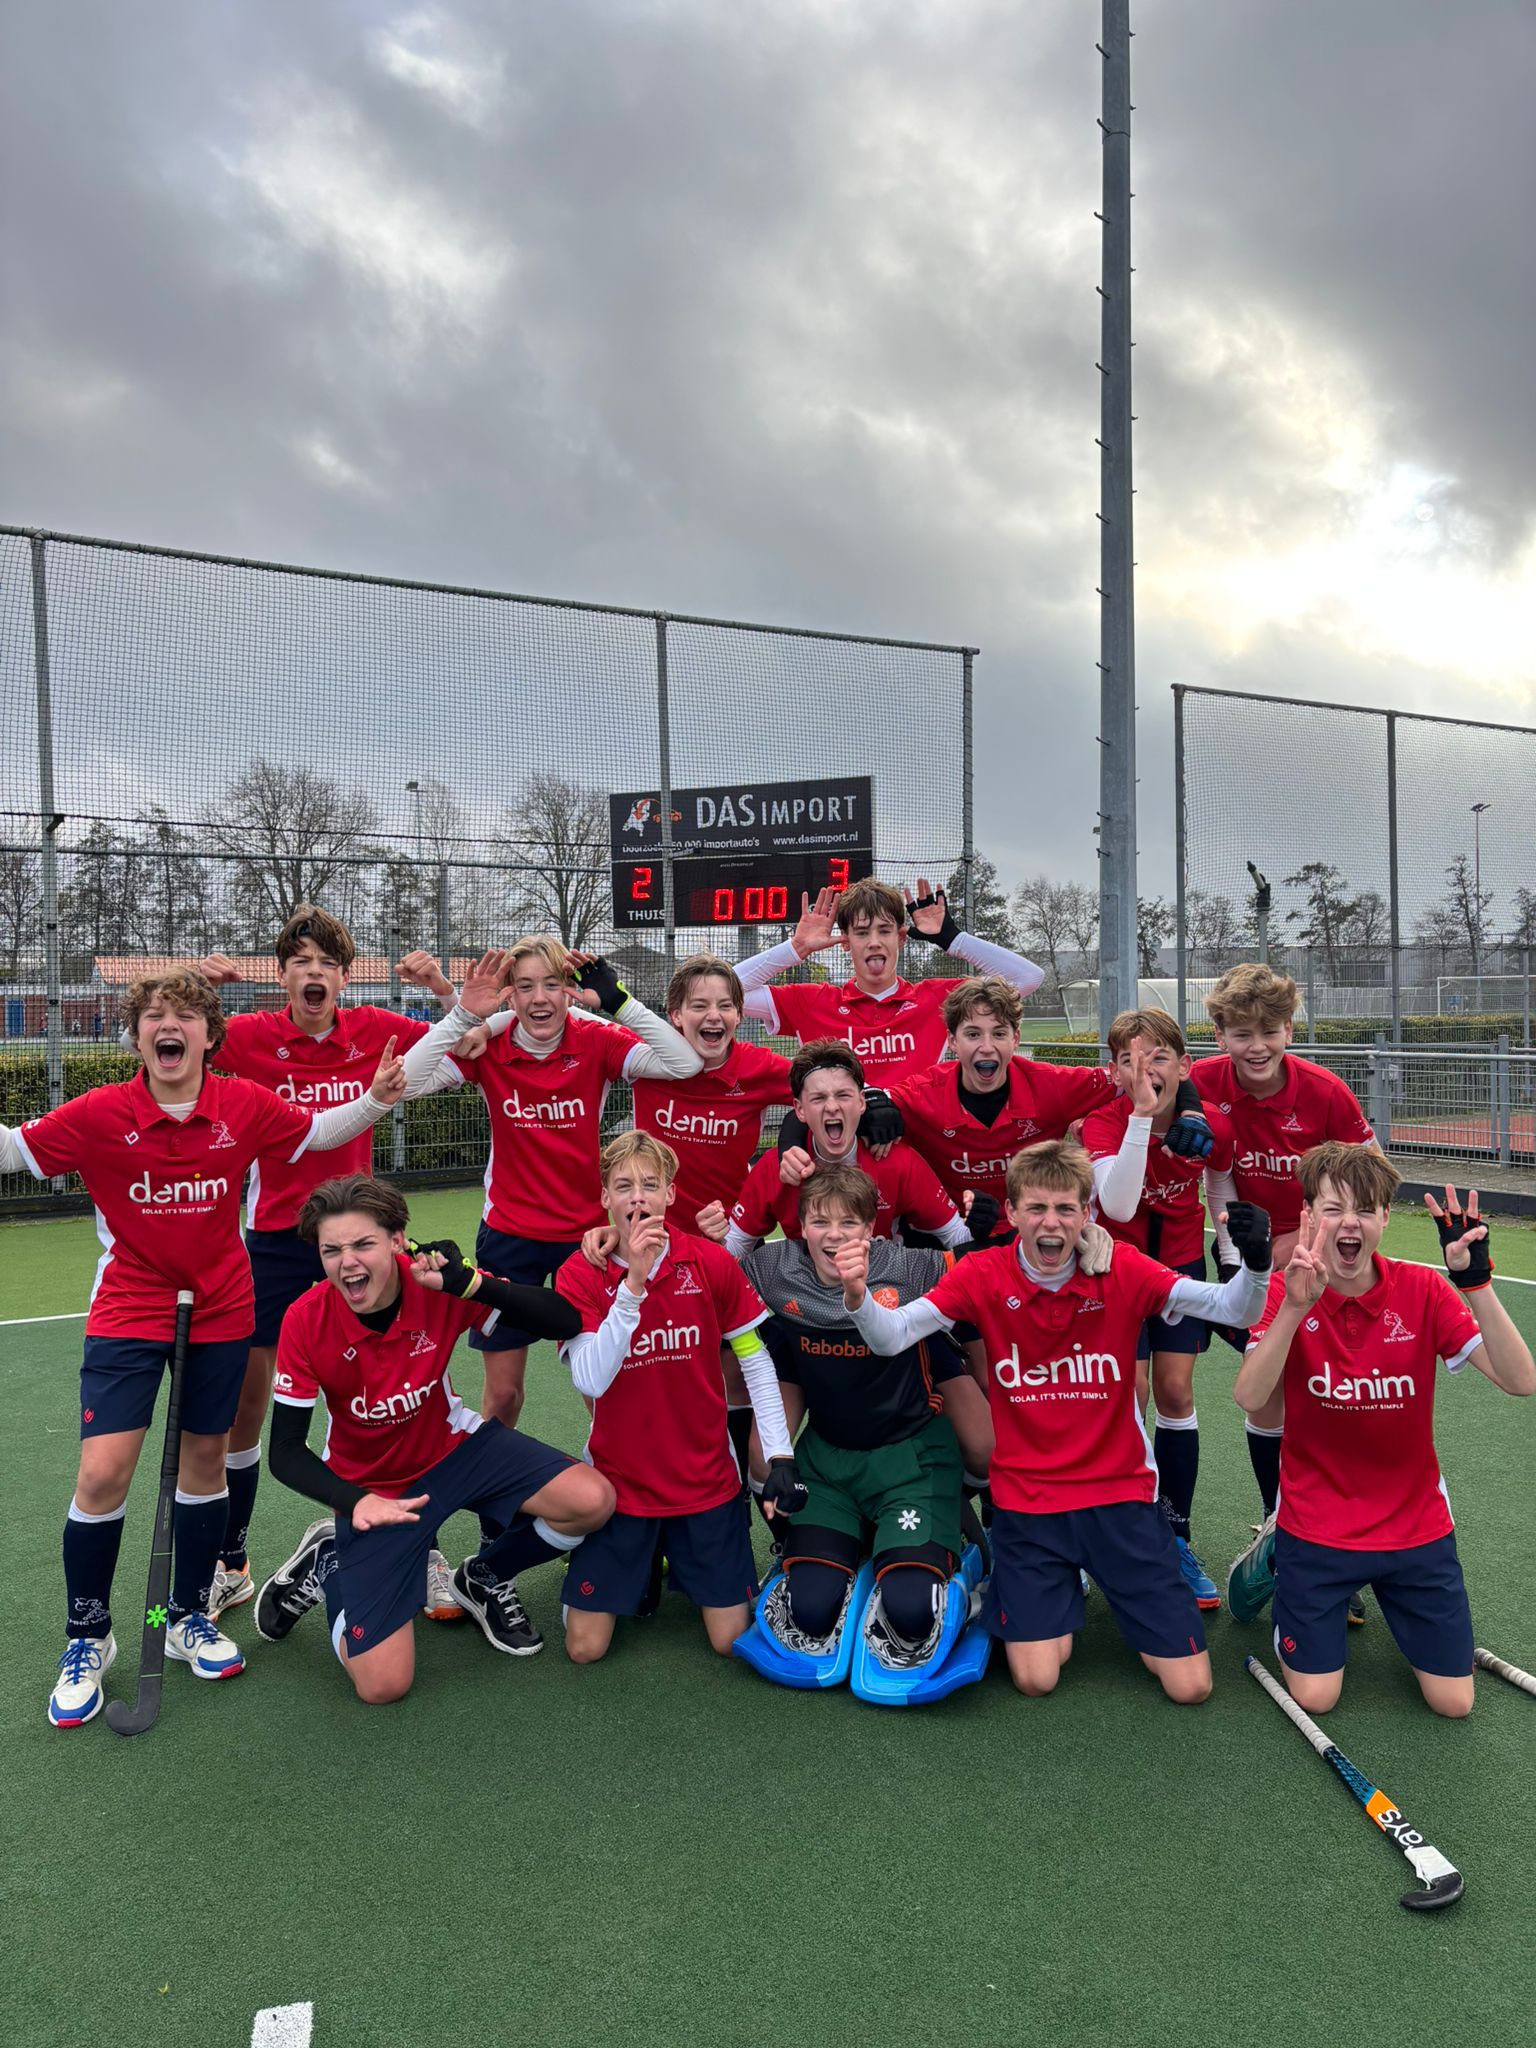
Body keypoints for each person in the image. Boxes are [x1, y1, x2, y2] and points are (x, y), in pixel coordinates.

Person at [3, 965, 473, 1728]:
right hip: (130, 1310)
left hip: (221, 1307)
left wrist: (377, 1099)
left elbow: (319, 1132)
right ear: (137, 1036)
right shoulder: (100, 1113)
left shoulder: (242, 1104)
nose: (170, 1026)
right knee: (102, 1472)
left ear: (207, 1035)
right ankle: (88, 1635)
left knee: (205, 1460)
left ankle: (187, 1614)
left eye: (185, 1015)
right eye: (155, 1016)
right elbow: (11, 1149)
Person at [837, 1139, 1274, 1703]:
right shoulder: (982, 1273)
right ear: (1013, 1212)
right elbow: (892, 1335)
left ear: (1086, 1214)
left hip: (1120, 1497)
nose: (1052, 1222)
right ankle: (1026, 1584)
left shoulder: (1122, 1267)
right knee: (1037, 1678)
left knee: (1191, 1686)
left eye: (1066, 1208)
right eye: (1037, 1208)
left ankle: (1092, 1588)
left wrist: (1256, 1265)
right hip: (1029, 1502)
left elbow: (1232, 1308)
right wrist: (857, 1297)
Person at [190, 905, 480, 1623]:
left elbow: (465, 1056)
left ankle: (419, 1547)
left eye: (327, 963)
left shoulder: (377, 1029)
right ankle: (231, 1561)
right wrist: (195, 989)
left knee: (401, 1396)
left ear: (345, 978)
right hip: (275, 1242)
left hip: (361, 1242)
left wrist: (445, 990)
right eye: (300, 962)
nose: (313, 973)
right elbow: (167, 1056)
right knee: (248, 1407)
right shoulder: (249, 1036)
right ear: (281, 975)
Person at [256, 1175, 614, 1700]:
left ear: (397, 1240)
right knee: (383, 1685)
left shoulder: (434, 1282)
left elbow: (565, 1318)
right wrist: (356, 1502)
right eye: (331, 1250)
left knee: (593, 1500)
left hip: (456, 1451)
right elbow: (285, 1452)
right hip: (375, 1489)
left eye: (362, 1244)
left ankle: (484, 1575)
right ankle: (330, 1563)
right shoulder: (305, 1320)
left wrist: (472, 1285)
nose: (347, 1263)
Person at [1230, 1147, 1534, 1715]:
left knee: (1453, 1702)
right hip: (1317, 1523)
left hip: (1413, 1526)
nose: (1350, 1223)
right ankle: (1278, 1556)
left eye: (1366, 1210)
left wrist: (1477, 1284)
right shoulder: (1284, 1291)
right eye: (1334, 1209)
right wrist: (1295, 1309)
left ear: (1386, 1218)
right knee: (1317, 1697)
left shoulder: (1423, 1290)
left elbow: (1520, 1381)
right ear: (1309, 1216)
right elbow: (1249, 1398)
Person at [554, 1132, 805, 1664]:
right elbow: (591, 1380)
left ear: (670, 1194)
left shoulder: (709, 1262)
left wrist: (780, 1453)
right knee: (584, 1649)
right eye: (624, 1186)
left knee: (729, 1642)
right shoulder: (580, 1272)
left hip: (706, 1484)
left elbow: (756, 1360)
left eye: (650, 1185)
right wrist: (632, 1287)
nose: (638, 1197)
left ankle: (667, 1561)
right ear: (605, 1197)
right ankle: (636, 1566)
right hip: (622, 1486)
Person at [738, 1162, 999, 1651]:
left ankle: (959, 1528)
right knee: (810, 1613)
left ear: (871, 1229)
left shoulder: (906, 1266)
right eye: (820, 1221)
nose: (834, 1235)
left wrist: (990, 1230)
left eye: (848, 1222)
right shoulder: (775, 1267)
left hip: (908, 1453)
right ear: (799, 1227)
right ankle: (808, 1542)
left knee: (911, 1614)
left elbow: (991, 1266)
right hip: (830, 1454)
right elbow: (704, 1272)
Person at [1191, 963, 1378, 1541]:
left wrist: (1305, 1240)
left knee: (1328, 1391)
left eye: (1270, 1031)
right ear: (1220, 1036)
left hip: (1321, 1259)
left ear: (1290, 1031)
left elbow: (1376, 1183)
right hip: (1251, 1260)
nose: (1257, 1046)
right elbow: (1215, 1170)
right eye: (1241, 1033)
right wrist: (1237, 1259)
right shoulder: (1201, 1082)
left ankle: (1346, 1515)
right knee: (1266, 1394)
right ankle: (1282, 1524)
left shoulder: (1326, 1093)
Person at [1082, 1011, 1236, 1609]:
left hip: (1179, 1269)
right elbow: (1119, 1207)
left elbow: (1221, 1185)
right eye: (1129, 1060)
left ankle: (1175, 1535)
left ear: (1185, 1067)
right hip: (1113, 1272)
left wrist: (1230, 1261)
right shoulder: (1104, 1122)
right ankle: (1115, 1530)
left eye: (1158, 1057)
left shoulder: (1210, 1123)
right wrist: (1142, 1119)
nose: (1143, 1069)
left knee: (1174, 1391)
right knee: (1131, 1392)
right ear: (1114, 1071)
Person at [733, 876, 1045, 1084]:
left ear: (901, 938)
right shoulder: (811, 1001)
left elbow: (1028, 977)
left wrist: (952, 938)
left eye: (884, 931)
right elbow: (725, 992)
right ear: (845, 942)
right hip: (840, 1157)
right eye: (861, 932)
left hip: (916, 1154)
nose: (874, 942)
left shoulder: (938, 999)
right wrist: (797, 948)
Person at [724, 1039, 977, 1256]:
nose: (832, 1107)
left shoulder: (897, 1160)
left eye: (843, 1095)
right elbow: (734, 1248)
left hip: (882, 1287)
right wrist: (713, 1239)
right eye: (818, 1098)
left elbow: (957, 1236)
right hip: (803, 1293)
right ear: (799, 1110)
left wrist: (980, 1224)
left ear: (861, 1102)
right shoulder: (776, 1167)